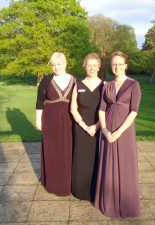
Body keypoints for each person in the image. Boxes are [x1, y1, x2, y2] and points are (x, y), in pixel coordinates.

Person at [94, 51, 142, 217]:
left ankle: (127, 204)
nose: (117, 67)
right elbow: (101, 109)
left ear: (126, 65)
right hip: (107, 131)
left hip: (125, 131)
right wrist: (106, 131)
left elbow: (134, 112)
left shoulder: (134, 85)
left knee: (125, 165)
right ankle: (108, 201)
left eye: (120, 63)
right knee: (108, 164)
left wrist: (118, 132)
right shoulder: (107, 86)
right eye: (114, 64)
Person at [35, 52, 76, 196]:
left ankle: (68, 183)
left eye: (59, 64)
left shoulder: (75, 80)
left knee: (68, 151)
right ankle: (53, 183)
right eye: (53, 65)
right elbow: (40, 101)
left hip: (70, 121)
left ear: (65, 64)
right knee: (53, 151)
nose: (56, 67)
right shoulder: (46, 80)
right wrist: (38, 120)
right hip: (50, 121)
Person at [71, 53, 104, 201]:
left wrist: (96, 127)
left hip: (98, 128)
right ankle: (79, 190)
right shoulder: (77, 85)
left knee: (97, 159)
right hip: (81, 128)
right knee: (81, 158)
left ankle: (95, 190)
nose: (91, 68)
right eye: (89, 65)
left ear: (99, 67)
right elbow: (73, 109)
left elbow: (106, 109)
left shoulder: (105, 86)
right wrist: (85, 127)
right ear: (84, 66)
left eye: (94, 65)